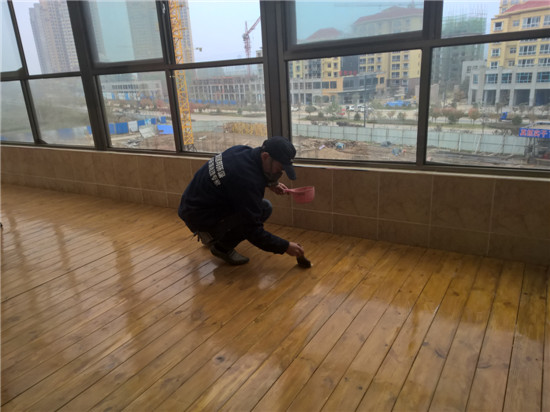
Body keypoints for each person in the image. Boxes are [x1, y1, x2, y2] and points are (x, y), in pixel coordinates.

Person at [178, 136, 305, 265]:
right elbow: (253, 231)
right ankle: (220, 247)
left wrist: (271, 183)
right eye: (280, 168)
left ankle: (212, 234)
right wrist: (285, 246)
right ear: (266, 156)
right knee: (263, 210)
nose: (280, 173)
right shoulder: (247, 182)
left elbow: (237, 177)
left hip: (190, 206)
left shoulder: (241, 151)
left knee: (261, 207)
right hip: (198, 217)